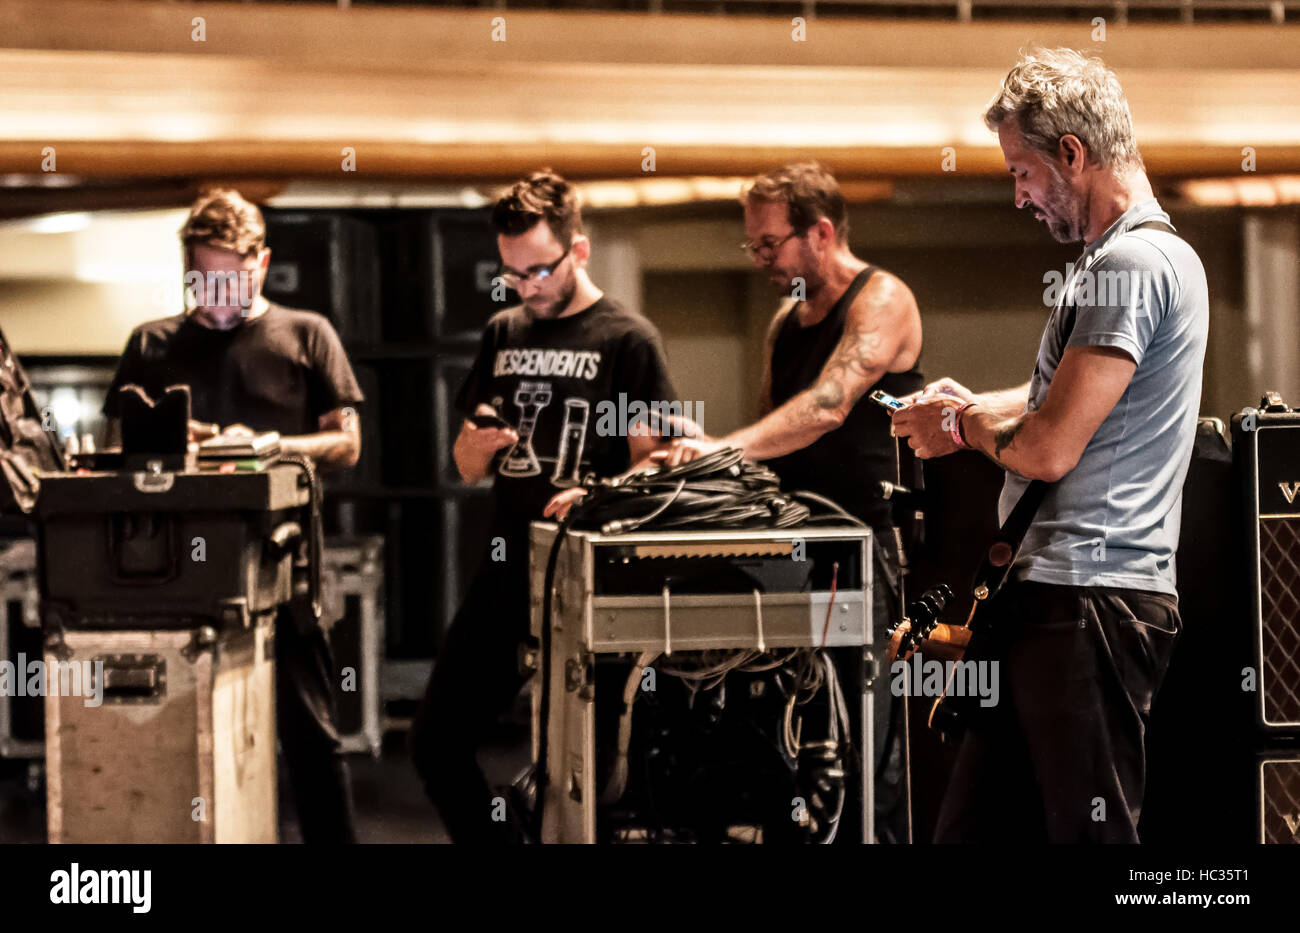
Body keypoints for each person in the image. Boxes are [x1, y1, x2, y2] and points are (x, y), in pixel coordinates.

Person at [892, 48, 1209, 843]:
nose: (1020, 196)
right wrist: (968, 403)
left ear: (1073, 152)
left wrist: (960, 428)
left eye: (1022, 172)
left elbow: (1050, 446)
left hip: (1089, 600)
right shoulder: (1119, 262)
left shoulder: (1133, 263)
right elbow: (1060, 405)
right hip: (1057, 599)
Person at [408, 170, 681, 843]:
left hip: (594, 580)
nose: (527, 286)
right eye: (513, 274)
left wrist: (599, 492)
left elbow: (659, 463)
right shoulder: (504, 332)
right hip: (510, 567)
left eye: (540, 269)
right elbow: (467, 465)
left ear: (578, 251)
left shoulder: (627, 340)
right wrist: (474, 447)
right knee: (435, 741)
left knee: (599, 772)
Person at [655, 162, 925, 841]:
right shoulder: (784, 321)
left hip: (868, 549)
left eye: (770, 244)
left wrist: (723, 447)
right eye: (754, 246)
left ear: (822, 232)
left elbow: (829, 406)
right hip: (796, 550)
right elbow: (771, 438)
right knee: (794, 733)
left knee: (873, 746)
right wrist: (706, 464)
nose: (761, 259)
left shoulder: (881, 298)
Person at [103, 187, 363, 843]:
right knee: (180, 740)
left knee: (313, 742)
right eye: (200, 277)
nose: (213, 292)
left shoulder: (306, 334)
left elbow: (347, 443)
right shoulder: (152, 343)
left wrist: (266, 445)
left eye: (227, 277)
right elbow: (113, 456)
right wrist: (173, 450)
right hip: (176, 581)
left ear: (262, 263)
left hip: (286, 572)